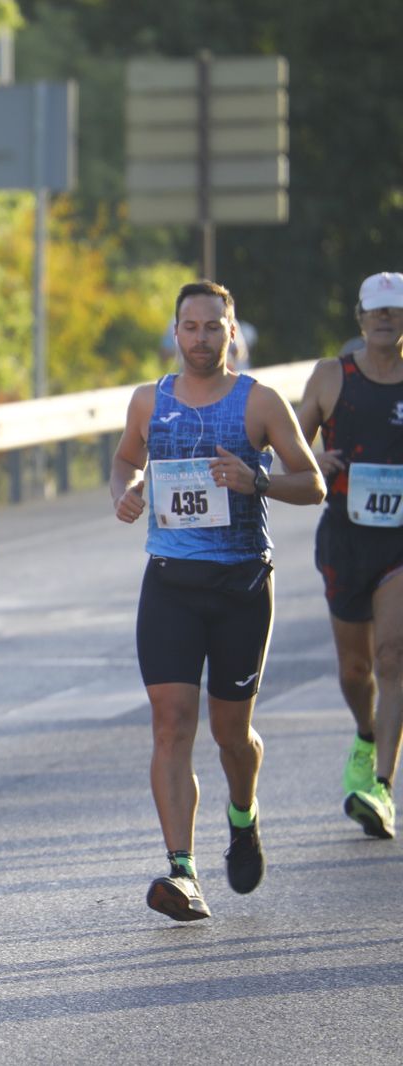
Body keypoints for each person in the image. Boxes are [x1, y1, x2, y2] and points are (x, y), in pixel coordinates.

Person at [110, 280, 325, 922]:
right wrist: (125, 490)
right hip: (171, 581)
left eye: (213, 327)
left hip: (240, 586)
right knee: (171, 723)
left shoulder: (258, 402)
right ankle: (183, 871)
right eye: (190, 326)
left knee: (232, 733)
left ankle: (243, 813)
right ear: (175, 332)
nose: (201, 338)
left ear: (232, 332)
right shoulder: (150, 401)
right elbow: (124, 460)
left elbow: (312, 483)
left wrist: (254, 478)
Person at [295, 271, 403, 839]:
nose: (385, 319)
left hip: (399, 544)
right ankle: (365, 734)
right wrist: (317, 461)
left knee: (392, 657)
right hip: (344, 536)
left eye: (395, 311)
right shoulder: (332, 377)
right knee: (355, 669)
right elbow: (289, 448)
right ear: (360, 320)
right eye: (376, 312)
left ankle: (381, 787)